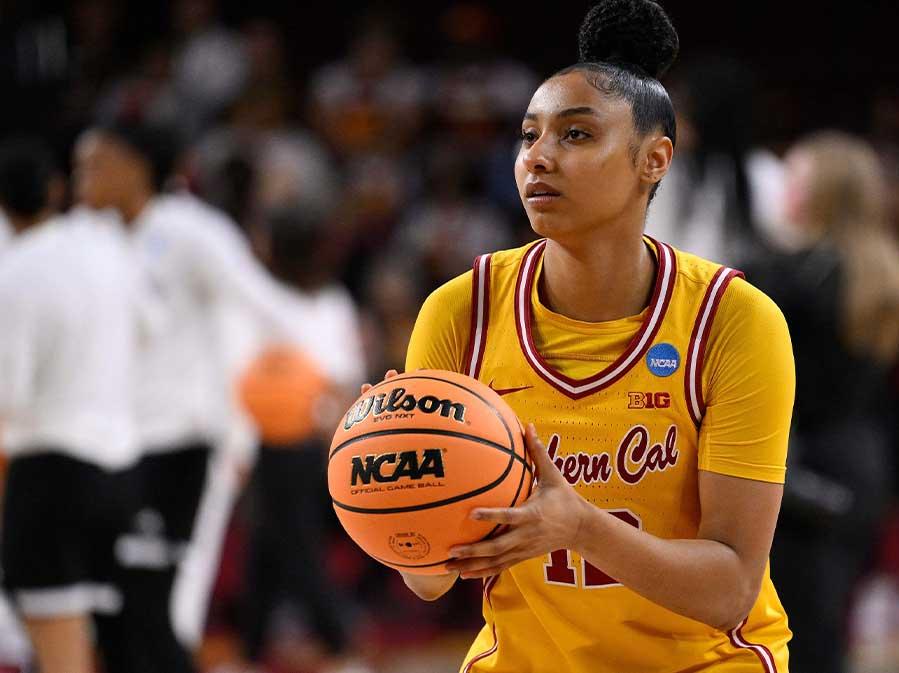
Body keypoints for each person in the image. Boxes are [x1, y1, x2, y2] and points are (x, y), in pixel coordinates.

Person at [380, 1, 795, 670]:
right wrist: (395, 474)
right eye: (528, 135)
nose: (538, 157)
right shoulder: (459, 311)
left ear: (653, 160)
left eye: (575, 135)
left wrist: (581, 528)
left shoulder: (734, 320)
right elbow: (431, 580)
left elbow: (730, 588)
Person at [72, 118, 305, 673]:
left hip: (185, 441)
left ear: (136, 167)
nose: (82, 177)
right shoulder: (90, 239)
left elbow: (268, 305)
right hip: (110, 442)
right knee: (112, 606)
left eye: (95, 164)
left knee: (169, 604)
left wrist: (328, 378)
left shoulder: (192, 231)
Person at [753, 132, 899, 673]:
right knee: (827, 627)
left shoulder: (798, 277)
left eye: (791, 179)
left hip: (806, 470)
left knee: (801, 634)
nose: (780, 191)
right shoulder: (881, 271)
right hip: (862, 462)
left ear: (817, 194)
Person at [0, 139, 143, 673]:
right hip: (122, 471)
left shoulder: (13, 273)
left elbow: (6, 396)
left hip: (50, 473)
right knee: (104, 647)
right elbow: (150, 327)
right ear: (56, 191)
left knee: (60, 657)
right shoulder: (106, 248)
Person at [235, 205, 367, 672]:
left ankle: (340, 648)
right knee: (269, 545)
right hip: (278, 441)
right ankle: (251, 652)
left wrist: (338, 431)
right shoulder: (282, 299)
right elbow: (247, 378)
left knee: (293, 545)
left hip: (308, 443)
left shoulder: (317, 301)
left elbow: (344, 379)